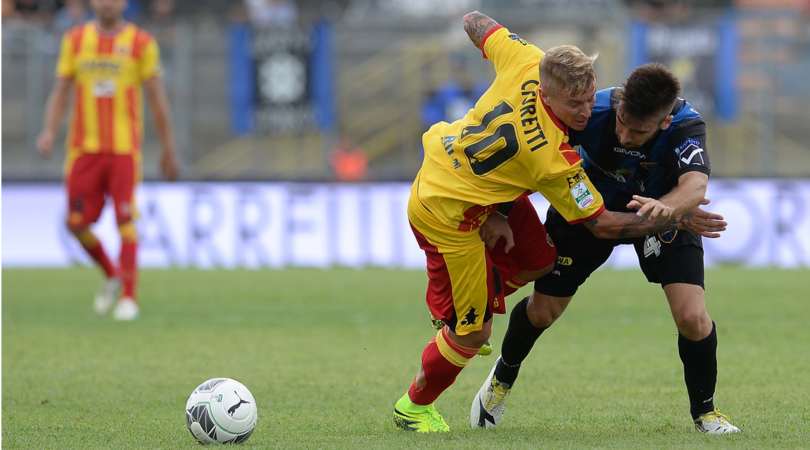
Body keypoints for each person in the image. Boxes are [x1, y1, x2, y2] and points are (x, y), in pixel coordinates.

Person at [393, 12, 727, 433]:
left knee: (543, 262)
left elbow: (475, 20)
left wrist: (670, 211)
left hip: (648, 208)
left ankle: (706, 414)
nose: (590, 113)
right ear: (547, 95)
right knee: (505, 323)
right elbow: (600, 223)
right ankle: (440, 394)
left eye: (590, 100)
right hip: (455, 211)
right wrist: (675, 218)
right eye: (578, 106)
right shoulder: (555, 157)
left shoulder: (528, 62)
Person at [471, 62, 739, 434]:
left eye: (639, 131)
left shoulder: (685, 125)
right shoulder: (590, 110)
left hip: (663, 215)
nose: (625, 136)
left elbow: (694, 186)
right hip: (588, 211)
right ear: (620, 102)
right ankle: (503, 377)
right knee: (543, 312)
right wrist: (500, 211)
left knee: (692, 317)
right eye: (622, 123)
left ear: (663, 123)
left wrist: (666, 209)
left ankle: (705, 414)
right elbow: (527, 155)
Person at [37, 0, 179, 321]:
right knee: (75, 222)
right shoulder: (75, 40)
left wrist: (168, 149)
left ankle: (129, 298)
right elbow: (61, 90)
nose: (107, 3)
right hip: (83, 152)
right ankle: (111, 273)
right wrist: (49, 130)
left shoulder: (141, 42)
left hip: (123, 152)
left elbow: (157, 98)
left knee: (125, 220)